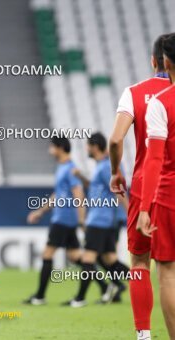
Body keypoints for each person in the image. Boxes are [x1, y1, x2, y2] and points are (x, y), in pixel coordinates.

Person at [109, 33, 172, 340]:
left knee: (139, 261)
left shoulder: (134, 93)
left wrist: (115, 171)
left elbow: (116, 139)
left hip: (147, 185)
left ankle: (144, 335)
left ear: (153, 61)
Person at [137, 32, 175, 340]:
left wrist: (145, 208)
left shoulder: (161, 104)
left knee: (168, 273)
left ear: (163, 62)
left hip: (169, 198)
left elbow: (154, 161)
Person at [63, 133, 130, 307]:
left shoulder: (107, 166)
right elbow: (98, 188)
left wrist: (131, 214)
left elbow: (118, 190)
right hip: (103, 220)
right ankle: (136, 280)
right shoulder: (102, 166)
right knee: (109, 259)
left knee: (88, 258)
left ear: (95, 146)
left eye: (87, 145)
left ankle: (80, 298)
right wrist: (81, 177)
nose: (86, 149)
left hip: (100, 219)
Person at [24, 137, 86, 305]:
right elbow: (58, 195)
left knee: (47, 254)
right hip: (64, 218)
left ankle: (39, 296)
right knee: (75, 256)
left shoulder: (70, 169)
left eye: (52, 147)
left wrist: (82, 220)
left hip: (63, 218)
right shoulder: (63, 167)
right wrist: (40, 211)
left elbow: (78, 193)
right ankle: (105, 286)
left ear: (60, 148)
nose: (49, 150)